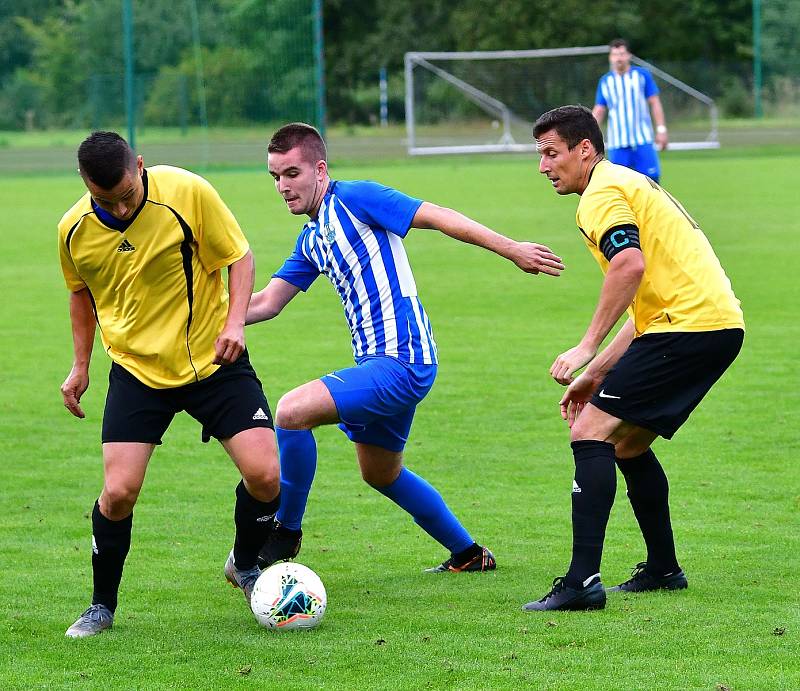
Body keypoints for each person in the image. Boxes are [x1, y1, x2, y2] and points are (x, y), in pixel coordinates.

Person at [247, 123, 565, 574]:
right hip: (383, 365)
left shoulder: (355, 198)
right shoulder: (312, 238)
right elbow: (265, 303)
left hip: (402, 361)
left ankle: (286, 531)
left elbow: (437, 215)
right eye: (275, 177)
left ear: (319, 169)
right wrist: (198, 317)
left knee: (292, 411)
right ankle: (469, 555)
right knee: (381, 473)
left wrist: (511, 248)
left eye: (291, 173)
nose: (283, 186)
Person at [58, 131, 280, 637]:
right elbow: (80, 294)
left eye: (126, 194)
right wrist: (80, 366)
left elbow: (239, 257)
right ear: (84, 183)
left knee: (266, 476)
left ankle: (244, 564)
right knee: (118, 492)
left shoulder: (186, 192)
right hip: (137, 372)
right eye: (104, 199)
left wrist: (235, 323)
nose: (117, 206)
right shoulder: (73, 229)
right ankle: (101, 606)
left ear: (140, 165)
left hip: (212, 360)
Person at [524, 105, 744, 611]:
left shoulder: (600, 194)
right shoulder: (626, 181)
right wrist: (597, 372)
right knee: (627, 445)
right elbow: (647, 301)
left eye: (551, 153)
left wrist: (584, 349)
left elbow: (628, 265)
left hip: (686, 329)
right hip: (712, 326)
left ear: (585, 150)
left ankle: (581, 583)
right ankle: (664, 569)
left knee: (590, 433)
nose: (543, 166)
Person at [592, 38, 668, 182]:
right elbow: (599, 110)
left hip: (642, 139)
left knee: (651, 180)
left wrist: (661, 129)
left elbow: (655, 102)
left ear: (628, 56)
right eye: (615, 54)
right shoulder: (605, 81)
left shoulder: (642, 75)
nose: (618, 58)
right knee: (619, 184)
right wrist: (588, 135)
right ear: (610, 57)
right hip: (618, 142)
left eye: (621, 54)